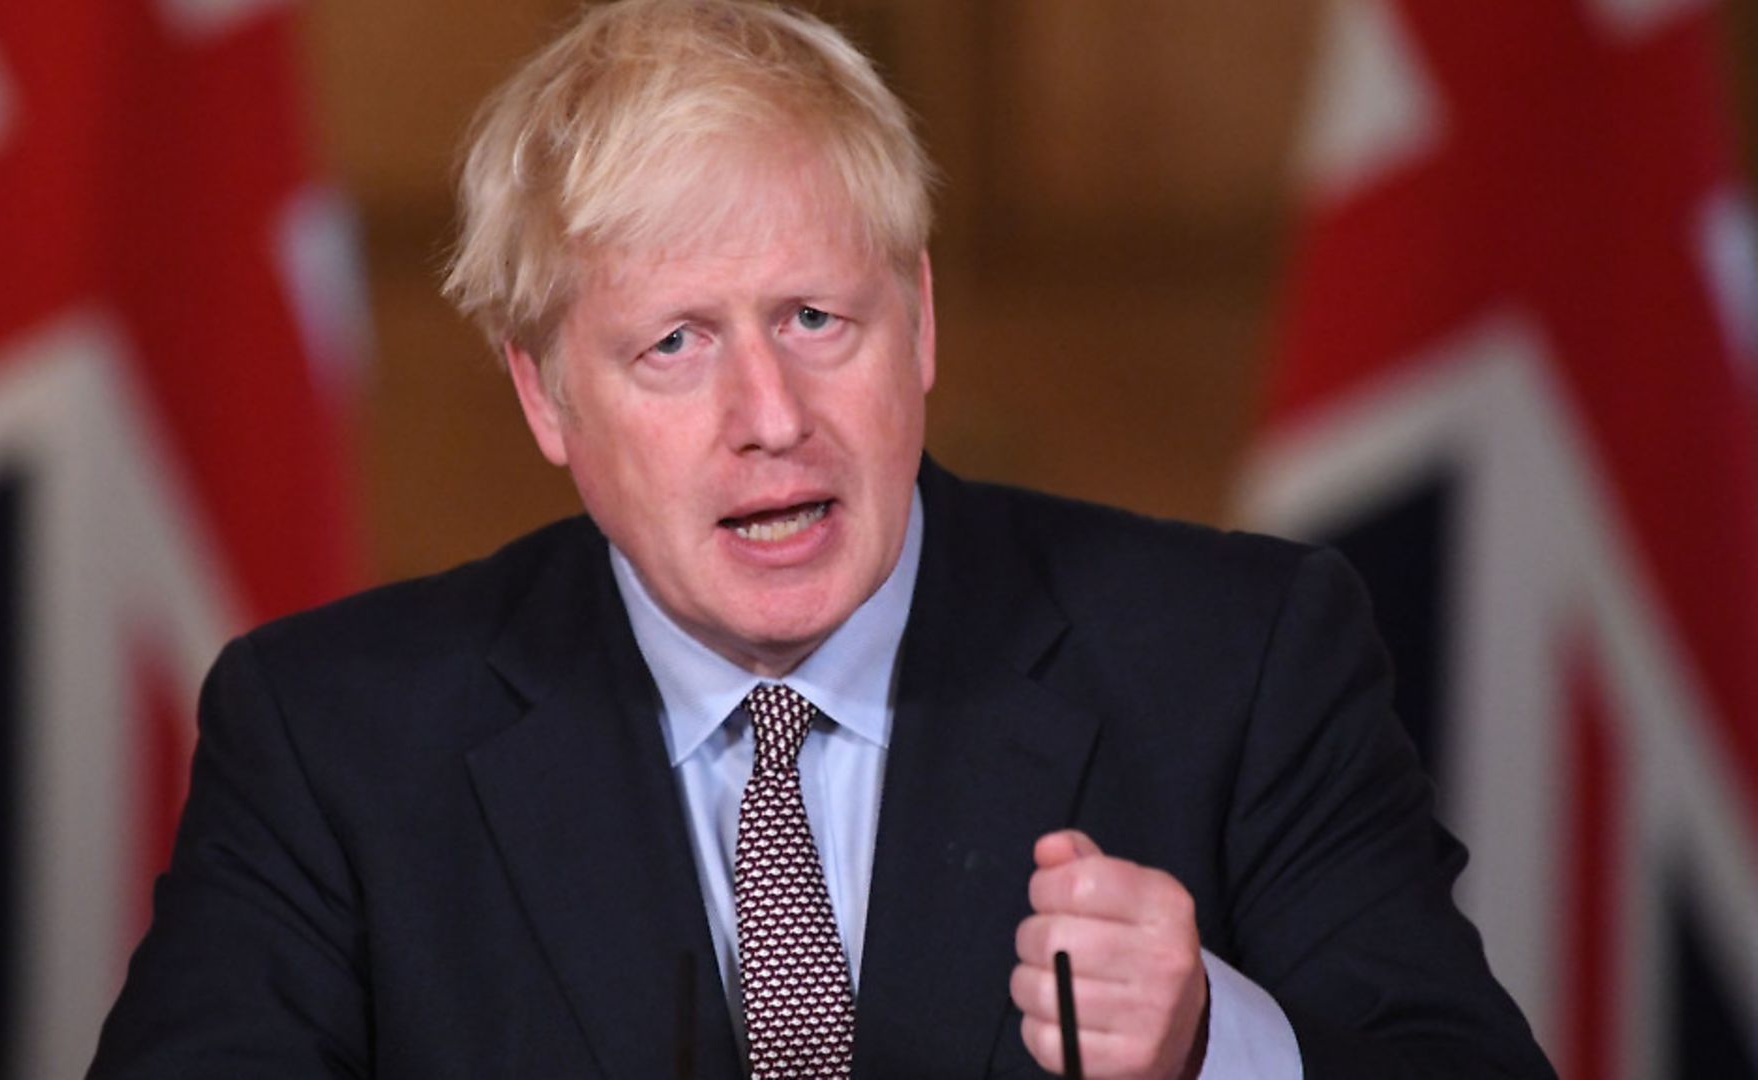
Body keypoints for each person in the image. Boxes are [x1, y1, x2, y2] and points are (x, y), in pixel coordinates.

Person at [89, 1, 1553, 1077]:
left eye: (814, 318)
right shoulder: (334, 737)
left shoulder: (1238, 658)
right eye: (672, 345)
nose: (769, 415)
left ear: (916, 318)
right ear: (544, 394)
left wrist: (1217, 1046)